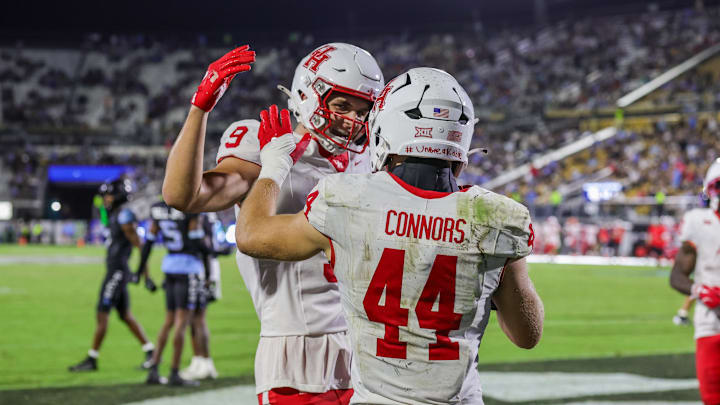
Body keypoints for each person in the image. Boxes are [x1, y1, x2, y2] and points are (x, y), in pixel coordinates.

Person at [235, 68, 544, 404]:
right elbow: (527, 335)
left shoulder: (347, 200)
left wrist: (274, 166)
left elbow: (252, 235)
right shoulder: (497, 217)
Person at [162, 43, 384, 402]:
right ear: (308, 95)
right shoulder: (268, 146)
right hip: (296, 351)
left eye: (363, 110)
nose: (352, 120)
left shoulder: (371, 161)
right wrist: (199, 110)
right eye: (342, 105)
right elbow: (182, 196)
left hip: (365, 349)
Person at [69, 178, 155, 372]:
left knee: (102, 312)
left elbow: (141, 247)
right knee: (125, 315)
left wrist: (145, 275)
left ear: (117, 195)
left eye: (108, 195)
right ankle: (151, 351)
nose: (105, 199)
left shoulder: (124, 216)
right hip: (116, 270)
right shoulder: (115, 214)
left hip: (117, 271)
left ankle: (92, 359)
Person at [139, 200, 212, 386]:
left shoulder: (157, 208)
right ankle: (174, 372)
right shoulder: (191, 206)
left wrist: (140, 270)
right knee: (182, 322)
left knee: (169, 321)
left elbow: (149, 241)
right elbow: (196, 239)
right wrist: (214, 254)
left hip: (169, 266)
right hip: (188, 268)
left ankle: (154, 369)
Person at [670, 157, 720, 405]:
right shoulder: (698, 222)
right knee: (712, 398)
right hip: (710, 322)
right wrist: (699, 290)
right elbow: (677, 276)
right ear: (710, 190)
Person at [180, 212, 229, 381]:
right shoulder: (207, 212)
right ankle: (198, 361)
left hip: (204, 267)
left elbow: (205, 243)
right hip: (201, 266)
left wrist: (208, 276)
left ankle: (207, 363)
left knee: (198, 318)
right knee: (193, 318)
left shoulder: (203, 213)